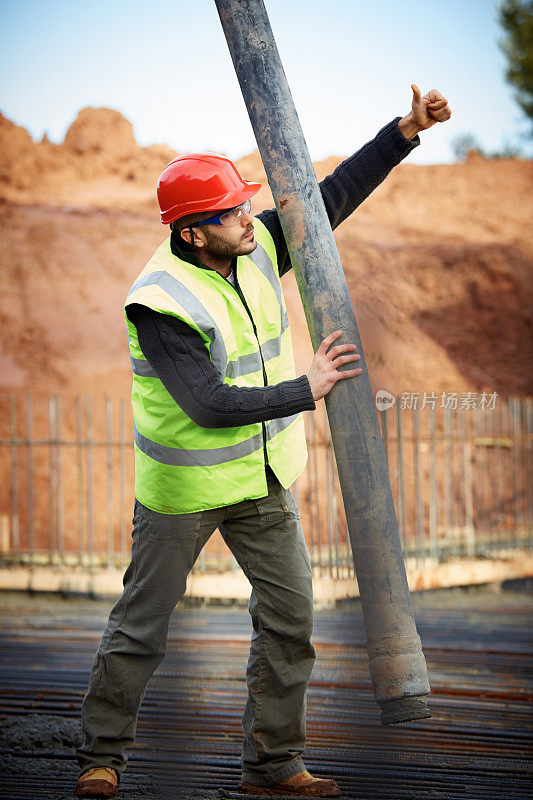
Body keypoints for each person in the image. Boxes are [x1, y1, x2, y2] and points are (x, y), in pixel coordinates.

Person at [75, 84, 451, 798]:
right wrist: (304, 389)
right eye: (231, 212)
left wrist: (404, 131)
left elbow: (327, 199)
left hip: (261, 480)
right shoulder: (157, 302)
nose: (250, 219)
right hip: (183, 493)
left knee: (289, 623)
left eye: (247, 205)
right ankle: (101, 757)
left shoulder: (250, 245)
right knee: (140, 630)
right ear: (191, 232)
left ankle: (272, 766)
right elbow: (209, 403)